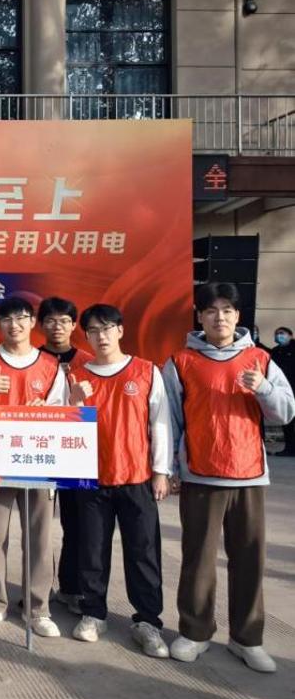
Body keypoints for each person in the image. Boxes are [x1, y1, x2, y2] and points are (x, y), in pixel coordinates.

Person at [162, 282, 295, 673]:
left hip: (248, 475)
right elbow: (169, 420)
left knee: (249, 558)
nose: (219, 317)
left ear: (238, 316)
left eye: (227, 310)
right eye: (211, 310)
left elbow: (285, 412)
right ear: (200, 317)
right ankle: (195, 632)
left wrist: (264, 388)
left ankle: (247, 638)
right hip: (201, 474)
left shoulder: (260, 359)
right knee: (198, 559)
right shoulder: (181, 361)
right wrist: (170, 469)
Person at [67, 303, 172, 658]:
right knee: (92, 549)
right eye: (94, 330)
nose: (101, 336)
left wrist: (161, 471)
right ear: (86, 336)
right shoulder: (76, 375)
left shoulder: (145, 371)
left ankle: (148, 621)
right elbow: (62, 426)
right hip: (91, 479)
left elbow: (160, 423)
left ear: (121, 330)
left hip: (136, 476)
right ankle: (93, 613)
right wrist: (73, 402)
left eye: (107, 328)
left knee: (143, 551)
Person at [0, 296, 68, 637]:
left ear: (33, 322)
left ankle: (38, 608)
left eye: (22, 317)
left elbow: (64, 410)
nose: (15, 325)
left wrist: (46, 411)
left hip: (37, 460)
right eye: (7, 319)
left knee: (39, 538)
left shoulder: (50, 364)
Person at [38, 296, 93, 615]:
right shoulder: (32, 359)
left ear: (74, 326)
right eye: (50, 320)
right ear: (40, 325)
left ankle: (71, 588)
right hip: (39, 453)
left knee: (77, 524)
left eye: (63, 321)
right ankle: (38, 589)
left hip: (74, 454)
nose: (57, 327)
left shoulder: (88, 361)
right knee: (38, 528)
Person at [270, 326, 295, 456]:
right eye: (277, 334)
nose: (279, 336)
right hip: (284, 390)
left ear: (291, 335)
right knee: (287, 420)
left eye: (282, 333)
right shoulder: (275, 351)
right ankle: (289, 447)